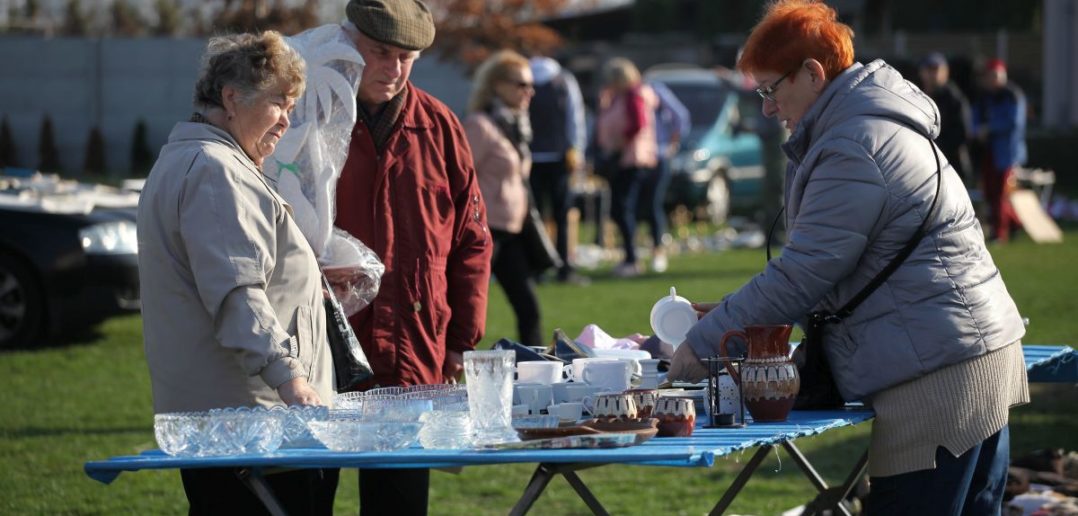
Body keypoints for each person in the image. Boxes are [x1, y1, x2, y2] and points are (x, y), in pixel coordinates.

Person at [666, 1, 1029, 513]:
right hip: (963, 354)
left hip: (939, 377)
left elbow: (805, 272)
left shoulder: (853, 143)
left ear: (813, 74)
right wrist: (729, 315)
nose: (768, 107)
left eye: (771, 90)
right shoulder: (869, 125)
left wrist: (703, 344)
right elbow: (836, 265)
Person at [137, 31, 338, 514]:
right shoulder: (215, 168)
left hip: (238, 424)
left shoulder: (196, 161)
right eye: (278, 102)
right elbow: (237, 290)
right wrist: (292, 382)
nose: (288, 119)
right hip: (259, 427)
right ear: (231, 97)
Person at [333, 0, 492, 514]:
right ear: (349, 40)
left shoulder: (441, 126)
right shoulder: (309, 116)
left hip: (414, 346)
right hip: (322, 346)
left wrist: (461, 342)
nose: (393, 68)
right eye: (380, 51)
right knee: (302, 495)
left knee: (399, 504)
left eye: (407, 56)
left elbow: (472, 241)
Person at [464, 50, 543, 348]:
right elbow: (460, 178)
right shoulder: (480, 126)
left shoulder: (516, 126)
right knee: (468, 309)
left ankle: (532, 371)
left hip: (512, 232)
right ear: (496, 85)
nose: (529, 92)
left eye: (530, 85)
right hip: (485, 231)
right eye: (521, 84)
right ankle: (454, 370)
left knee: (529, 308)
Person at [595, 57, 659, 278]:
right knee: (620, 209)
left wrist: (619, 144)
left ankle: (632, 258)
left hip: (630, 159)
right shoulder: (618, 98)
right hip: (625, 158)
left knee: (623, 209)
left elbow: (637, 124)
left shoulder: (634, 96)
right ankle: (630, 256)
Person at [528, 55, 589, 284]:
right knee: (561, 215)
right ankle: (564, 266)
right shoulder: (563, 81)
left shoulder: (525, 79)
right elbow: (575, 117)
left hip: (531, 157)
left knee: (535, 217)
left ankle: (538, 268)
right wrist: (577, 149)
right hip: (560, 157)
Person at [973, 58, 1027, 244]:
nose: (993, 79)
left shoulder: (1012, 95)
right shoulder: (984, 97)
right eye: (990, 76)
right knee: (990, 193)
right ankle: (1015, 225)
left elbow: (1014, 123)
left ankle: (999, 233)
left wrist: (988, 128)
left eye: (996, 75)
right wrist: (977, 130)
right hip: (989, 152)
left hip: (1007, 154)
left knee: (1001, 195)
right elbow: (975, 120)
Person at [641, 79, 690, 273]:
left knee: (653, 204)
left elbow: (681, 116)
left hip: (657, 155)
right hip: (636, 158)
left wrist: (672, 144)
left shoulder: (654, 89)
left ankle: (658, 251)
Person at [919, 52, 974, 187]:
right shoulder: (918, 96)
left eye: (936, 69)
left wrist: (936, 148)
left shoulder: (955, 99)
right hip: (926, 166)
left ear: (946, 72)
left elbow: (963, 133)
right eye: (929, 69)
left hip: (951, 167)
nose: (933, 74)